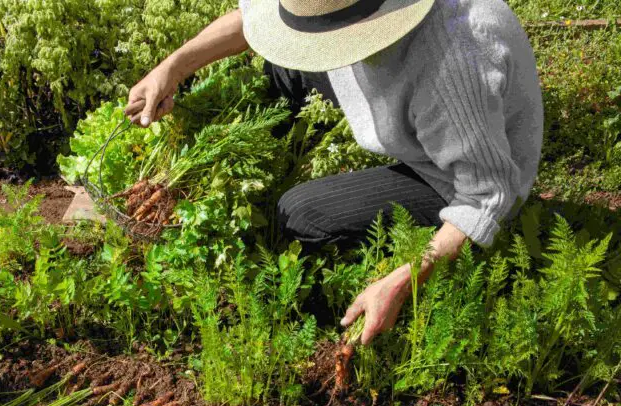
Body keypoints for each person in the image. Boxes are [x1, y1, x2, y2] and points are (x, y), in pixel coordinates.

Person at [124, 0, 544, 347]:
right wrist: (172, 67)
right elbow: (253, 21)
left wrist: (406, 278)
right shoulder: (337, 5)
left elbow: (487, 195)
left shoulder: (449, 65)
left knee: (300, 213)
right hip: (426, 98)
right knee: (283, 66)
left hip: (452, 176)